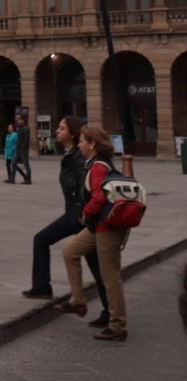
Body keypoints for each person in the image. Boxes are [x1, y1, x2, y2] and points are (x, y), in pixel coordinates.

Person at [21, 116, 109, 325]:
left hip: (78, 213)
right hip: (76, 212)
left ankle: (43, 288)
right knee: (94, 261)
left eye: (61, 128)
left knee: (43, 239)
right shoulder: (71, 153)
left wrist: (82, 211)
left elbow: (83, 183)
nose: (56, 131)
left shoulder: (78, 156)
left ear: (71, 133)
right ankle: (106, 310)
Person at [57, 125, 129, 341]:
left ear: (92, 144)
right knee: (70, 251)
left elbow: (98, 199)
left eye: (81, 141)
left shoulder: (98, 167)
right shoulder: (97, 164)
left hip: (107, 227)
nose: (78, 145)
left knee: (110, 277)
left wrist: (84, 214)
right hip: (98, 226)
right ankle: (78, 301)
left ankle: (118, 325)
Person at [13, 114, 32, 184]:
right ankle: (14, 178)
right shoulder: (20, 128)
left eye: (19, 120)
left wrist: (22, 147)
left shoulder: (25, 128)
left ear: (23, 120)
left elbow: (26, 140)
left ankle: (28, 179)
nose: (18, 121)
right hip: (18, 149)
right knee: (14, 163)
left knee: (26, 165)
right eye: (18, 120)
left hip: (23, 150)